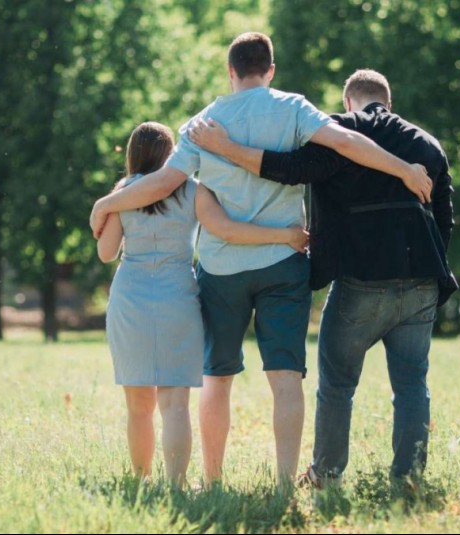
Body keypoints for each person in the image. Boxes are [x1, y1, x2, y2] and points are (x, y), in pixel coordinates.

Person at [89, 32, 431, 487]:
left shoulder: (202, 124)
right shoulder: (293, 108)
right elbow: (348, 142)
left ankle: (212, 481)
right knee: (286, 377)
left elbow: (161, 183)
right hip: (284, 260)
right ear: (270, 69)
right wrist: (404, 169)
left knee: (217, 377)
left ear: (230, 72)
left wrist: (105, 204)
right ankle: (286, 482)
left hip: (221, 269)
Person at [187, 69, 457, 488]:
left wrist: (225, 147)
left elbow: (289, 168)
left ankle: (326, 476)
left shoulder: (338, 131)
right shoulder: (428, 144)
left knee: (336, 384)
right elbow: (445, 221)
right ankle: (409, 479)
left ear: (348, 102)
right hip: (421, 277)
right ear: (389, 102)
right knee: (411, 385)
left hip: (360, 278)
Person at [96, 121, 307, 488]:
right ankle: (177, 486)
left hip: (131, 299)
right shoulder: (193, 190)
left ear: (132, 155)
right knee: (175, 404)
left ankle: (142, 480)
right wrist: (284, 236)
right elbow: (226, 230)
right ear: (170, 154)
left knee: (138, 406)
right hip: (178, 296)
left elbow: (105, 253)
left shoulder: (122, 195)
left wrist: (104, 214)